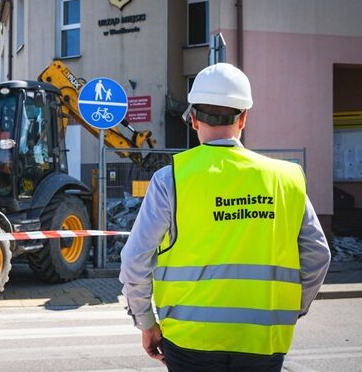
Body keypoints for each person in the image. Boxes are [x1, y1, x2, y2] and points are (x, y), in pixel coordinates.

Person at [119, 63, 331, 371]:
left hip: (189, 341)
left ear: (192, 119)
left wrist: (146, 322)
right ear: (244, 117)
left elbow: (135, 260)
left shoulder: (171, 179)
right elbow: (318, 257)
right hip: (263, 339)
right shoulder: (286, 179)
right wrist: (287, 311)